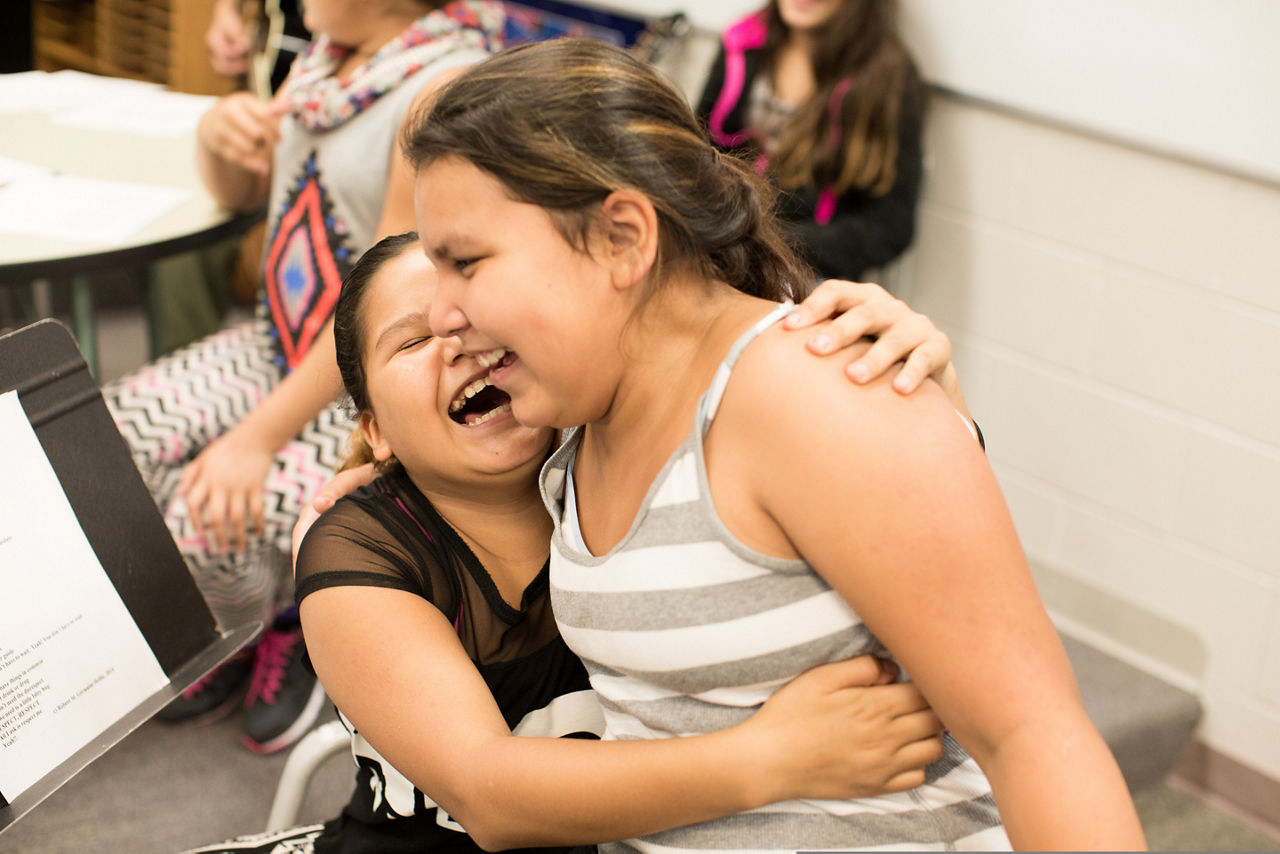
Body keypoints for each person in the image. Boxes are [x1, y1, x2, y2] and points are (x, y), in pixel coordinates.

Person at [408, 38, 1148, 850]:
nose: (442, 311)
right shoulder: (577, 410)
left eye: (466, 263)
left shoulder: (811, 396)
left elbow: (1036, 736)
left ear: (622, 238)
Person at [185, 231, 952, 854]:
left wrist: (918, 370)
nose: (458, 343)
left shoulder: (621, 457)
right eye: (414, 339)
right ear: (374, 430)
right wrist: (774, 758)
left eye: (480, 320)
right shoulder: (360, 551)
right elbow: (491, 797)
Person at [103, 0, 506, 754]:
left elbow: (387, 304)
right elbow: (238, 196)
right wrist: (221, 139)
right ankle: (232, 610)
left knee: (208, 508)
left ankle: (282, 622)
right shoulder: (322, 62)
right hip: (276, 345)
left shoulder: (437, 87)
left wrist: (253, 439)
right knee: (106, 436)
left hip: (362, 375)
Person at [695, 0, 924, 283]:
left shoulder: (888, 76)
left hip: (809, 268)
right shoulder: (742, 43)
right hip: (722, 243)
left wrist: (768, 243)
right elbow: (696, 152)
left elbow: (891, 226)